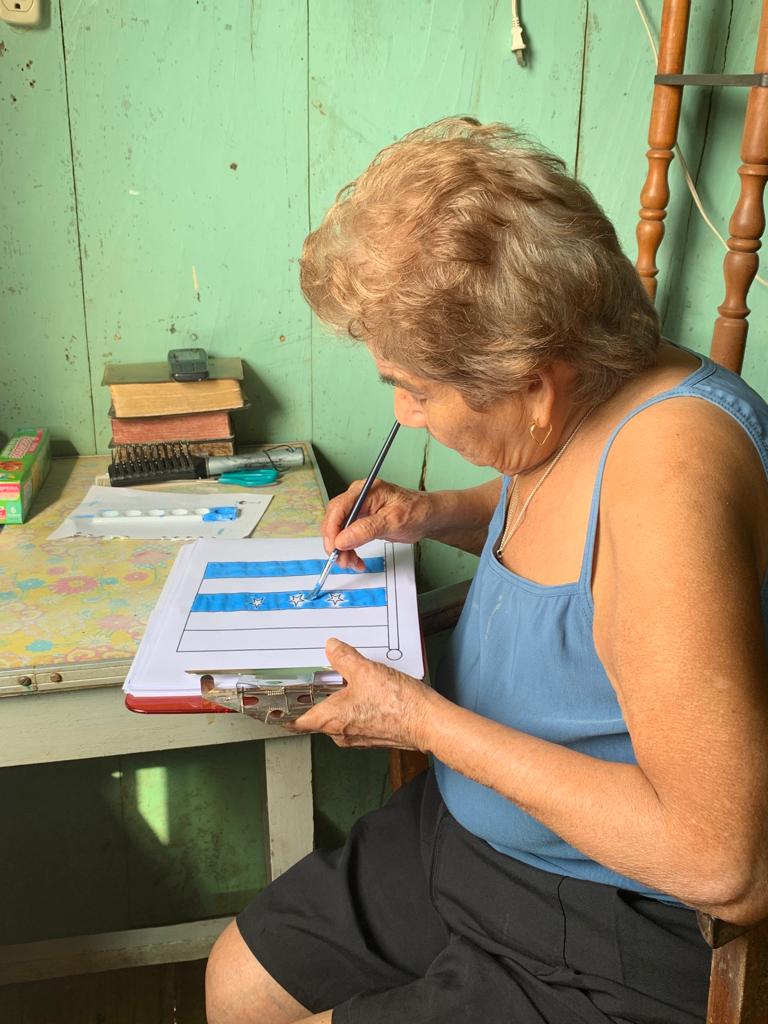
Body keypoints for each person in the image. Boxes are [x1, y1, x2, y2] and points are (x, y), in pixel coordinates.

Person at [206, 118, 768, 1024]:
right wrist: (434, 513)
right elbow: (573, 554)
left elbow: (724, 862)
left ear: (532, 383)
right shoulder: (584, 389)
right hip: (472, 831)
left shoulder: (671, 479)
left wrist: (420, 721)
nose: (405, 412)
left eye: (417, 389)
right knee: (239, 982)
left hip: (610, 920)